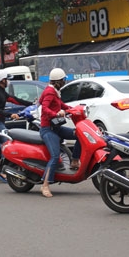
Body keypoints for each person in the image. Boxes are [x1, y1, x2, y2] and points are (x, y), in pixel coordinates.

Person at [39, 68, 81, 198]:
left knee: (79, 134)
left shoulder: (55, 91)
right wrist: (55, 114)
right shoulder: (50, 91)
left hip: (56, 127)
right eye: (63, 80)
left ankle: (74, 160)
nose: (64, 81)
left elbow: (59, 104)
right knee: (55, 156)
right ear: (58, 81)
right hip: (48, 129)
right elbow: (44, 107)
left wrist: (72, 109)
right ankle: (45, 185)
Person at [0, 69, 33, 182]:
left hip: (0, 120)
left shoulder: (1, 91)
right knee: (7, 142)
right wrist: (11, 115)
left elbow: (14, 99)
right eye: (7, 79)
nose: (9, 82)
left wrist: (32, 104)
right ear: (2, 80)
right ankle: (3, 172)